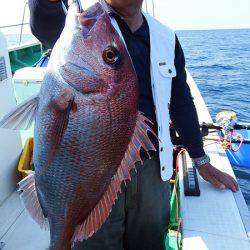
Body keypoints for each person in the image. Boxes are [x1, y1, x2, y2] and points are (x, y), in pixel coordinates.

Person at [28, 0, 239, 249]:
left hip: (151, 168)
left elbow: (181, 101)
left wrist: (200, 160)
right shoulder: (86, 24)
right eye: (110, 55)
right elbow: (45, 22)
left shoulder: (165, 37)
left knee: (149, 242)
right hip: (93, 174)